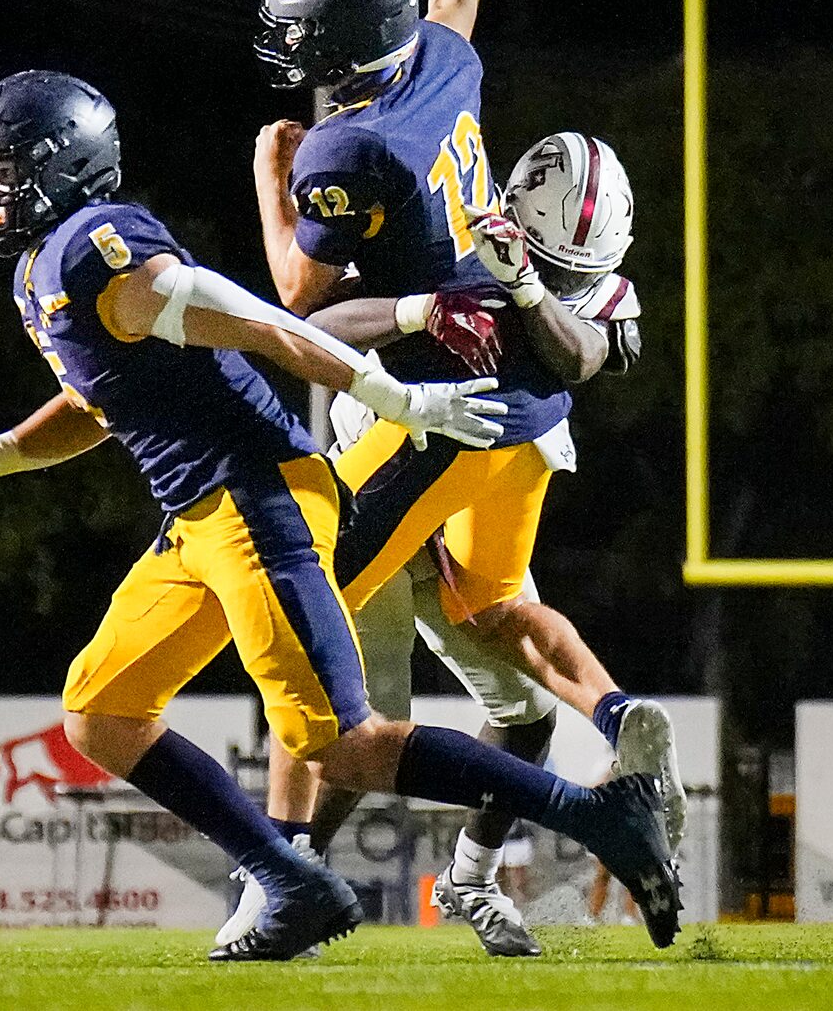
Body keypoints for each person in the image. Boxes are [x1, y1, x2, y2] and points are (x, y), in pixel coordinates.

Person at [0, 72, 680, 960]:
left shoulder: (97, 248)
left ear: (62, 168)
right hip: (196, 519)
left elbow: (253, 317)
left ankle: (596, 813)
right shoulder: (43, 268)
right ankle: (290, 879)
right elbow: (96, 403)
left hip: (257, 502)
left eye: (1, 172)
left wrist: (392, 395)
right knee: (101, 710)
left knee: (345, 744)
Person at [236, 131, 650, 958]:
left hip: (471, 508)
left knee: (525, 710)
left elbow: (583, 356)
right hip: (389, 473)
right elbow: (313, 319)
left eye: (581, 272)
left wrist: (529, 287)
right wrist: (416, 309)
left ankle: (469, 879)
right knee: (364, 718)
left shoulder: (580, 288)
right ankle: (286, 881)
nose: (577, 283)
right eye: (554, 264)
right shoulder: (450, 241)